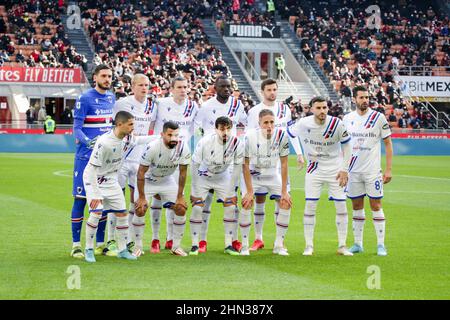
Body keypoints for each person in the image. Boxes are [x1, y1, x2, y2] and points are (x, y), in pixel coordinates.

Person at [82, 111, 154, 262]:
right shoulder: (104, 142)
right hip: (94, 179)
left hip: (111, 180)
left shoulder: (127, 139)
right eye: (130, 124)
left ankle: (122, 250)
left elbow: (140, 140)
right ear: (119, 124)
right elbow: (92, 170)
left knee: (122, 214)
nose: (133, 127)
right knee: (96, 213)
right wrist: (95, 194)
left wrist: (160, 137)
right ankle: (88, 249)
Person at [287, 96, 353, 256]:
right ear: (311, 109)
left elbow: (347, 146)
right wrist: (299, 153)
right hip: (314, 170)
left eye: (324, 107)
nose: (322, 111)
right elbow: (289, 133)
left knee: (341, 206)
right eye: (318, 108)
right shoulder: (303, 123)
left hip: (335, 170)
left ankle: (342, 245)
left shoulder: (337, 123)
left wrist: (345, 169)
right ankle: (309, 246)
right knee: (310, 206)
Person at [246, 78, 304, 251]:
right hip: (258, 164)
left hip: (277, 163)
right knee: (259, 199)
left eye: (275, 89)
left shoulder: (284, 109)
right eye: (269, 90)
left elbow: (289, 133)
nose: (272, 92)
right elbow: (250, 134)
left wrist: (299, 153)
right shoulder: (255, 111)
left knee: (282, 200)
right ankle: (258, 238)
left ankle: (279, 241)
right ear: (262, 92)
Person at [193, 75, 247, 253]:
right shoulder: (207, 106)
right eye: (223, 86)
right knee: (204, 203)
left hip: (229, 159)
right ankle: (201, 240)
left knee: (232, 201)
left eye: (229, 86)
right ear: (215, 88)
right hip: (209, 158)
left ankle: (233, 239)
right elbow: (196, 125)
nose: (227, 89)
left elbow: (245, 124)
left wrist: (239, 140)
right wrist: (205, 140)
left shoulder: (237, 104)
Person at [149, 76, 199, 252]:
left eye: (185, 86)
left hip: (179, 156)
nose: (183, 90)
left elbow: (191, 129)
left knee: (175, 198)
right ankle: (155, 238)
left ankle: (170, 238)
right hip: (159, 155)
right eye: (179, 87)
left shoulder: (193, 106)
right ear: (171, 89)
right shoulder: (161, 104)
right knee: (155, 199)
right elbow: (152, 124)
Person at [70, 64, 115, 259]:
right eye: (104, 75)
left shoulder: (112, 97)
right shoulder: (85, 98)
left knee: (102, 200)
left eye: (109, 76)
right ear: (95, 77)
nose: (107, 79)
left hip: (105, 160)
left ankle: (100, 244)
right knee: (80, 200)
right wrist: (89, 143)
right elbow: (77, 128)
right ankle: (76, 245)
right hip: (85, 158)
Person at [108, 73, 155, 256]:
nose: (144, 88)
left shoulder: (152, 106)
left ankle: (130, 241)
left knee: (136, 202)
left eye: (147, 85)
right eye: (141, 85)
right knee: (115, 200)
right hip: (121, 159)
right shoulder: (122, 104)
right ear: (133, 86)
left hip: (140, 161)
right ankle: (111, 240)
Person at [343, 86, 393, 256]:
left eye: (366, 97)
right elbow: (342, 145)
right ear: (354, 100)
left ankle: (381, 245)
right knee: (356, 206)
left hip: (373, 171)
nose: (365, 100)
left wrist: (388, 169)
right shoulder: (347, 119)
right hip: (353, 171)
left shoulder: (378, 118)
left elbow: (387, 143)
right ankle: (358, 243)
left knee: (376, 205)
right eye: (361, 97)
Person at [240, 109, 292, 256]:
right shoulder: (250, 137)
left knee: (286, 202)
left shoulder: (281, 135)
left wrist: (284, 192)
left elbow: (284, 164)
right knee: (247, 203)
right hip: (253, 175)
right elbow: (245, 165)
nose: (269, 126)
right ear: (259, 124)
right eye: (266, 123)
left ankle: (279, 245)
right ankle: (244, 246)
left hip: (272, 175)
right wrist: (250, 192)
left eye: (272, 122)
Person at [135, 121, 190, 257]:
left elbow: (183, 172)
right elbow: (141, 172)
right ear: (162, 134)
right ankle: (137, 246)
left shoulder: (183, 147)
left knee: (181, 208)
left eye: (176, 135)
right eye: (170, 135)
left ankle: (176, 246)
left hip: (167, 180)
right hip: (149, 180)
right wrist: (141, 197)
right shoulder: (153, 147)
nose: (173, 138)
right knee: (140, 209)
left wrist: (180, 196)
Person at [190, 116, 244, 256]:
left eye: (228, 129)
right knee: (197, 207)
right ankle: (195, 244)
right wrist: (194, 189)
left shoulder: (237, 143)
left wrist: (231, 190)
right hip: (204, 175)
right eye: (222, 129)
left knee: (231, 206)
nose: (225, 132)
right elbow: (195, 165)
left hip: (223, 176)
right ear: (216, 129)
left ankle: (228, 244)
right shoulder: (205, 142)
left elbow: (238, 167)